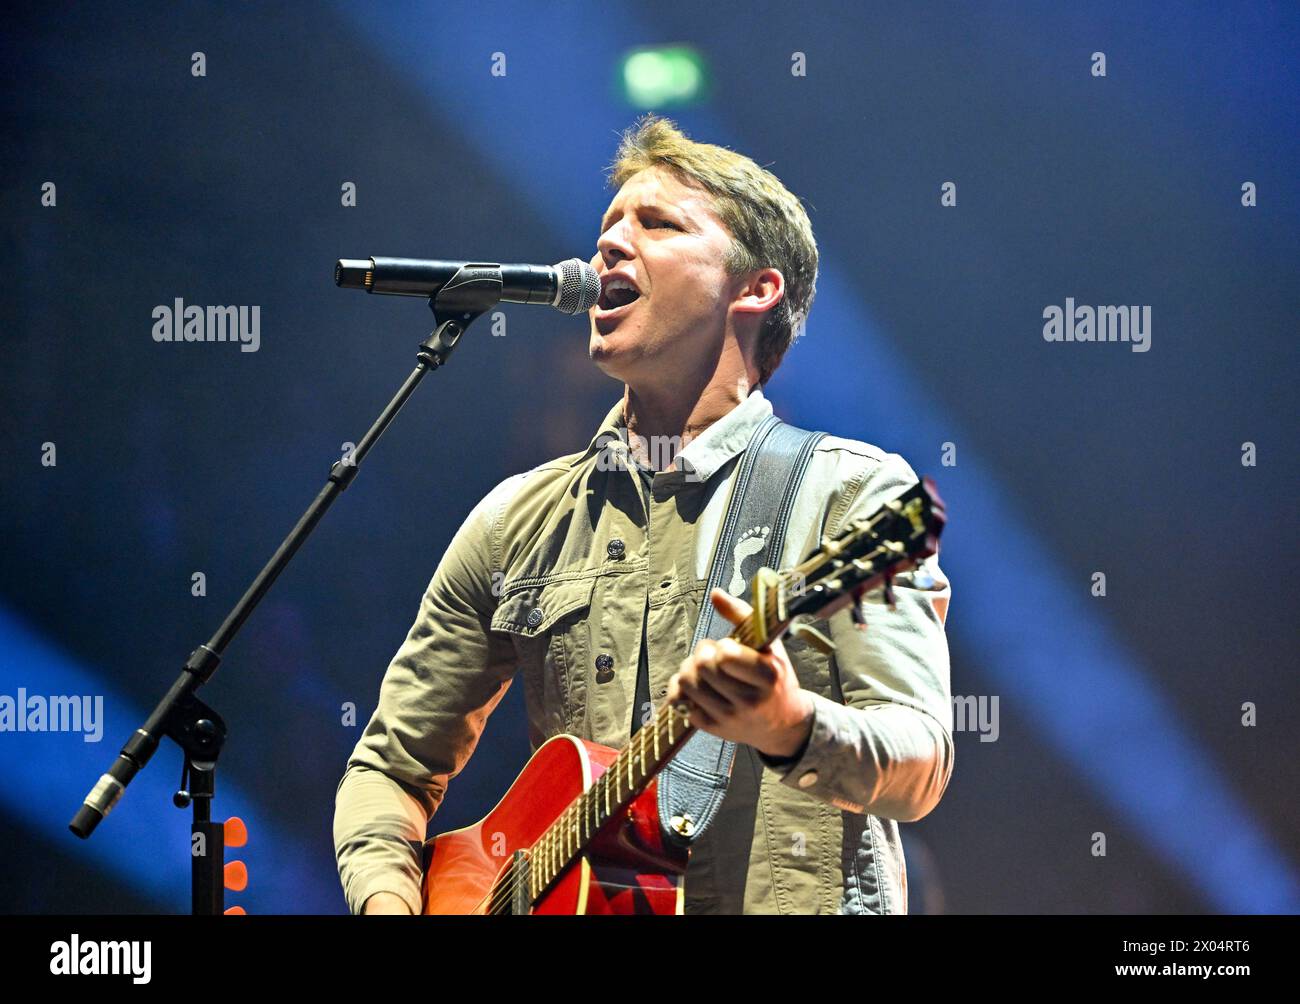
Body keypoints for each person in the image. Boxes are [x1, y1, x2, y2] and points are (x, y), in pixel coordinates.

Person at [333, 114, 954, 915]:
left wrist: (789, 723)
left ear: (756, 287)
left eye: (657, 224)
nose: (609, 248)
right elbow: (389, 770)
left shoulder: (852, 494)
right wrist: (388, 904)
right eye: (607, 228)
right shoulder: (514, 520)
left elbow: (920, 762)